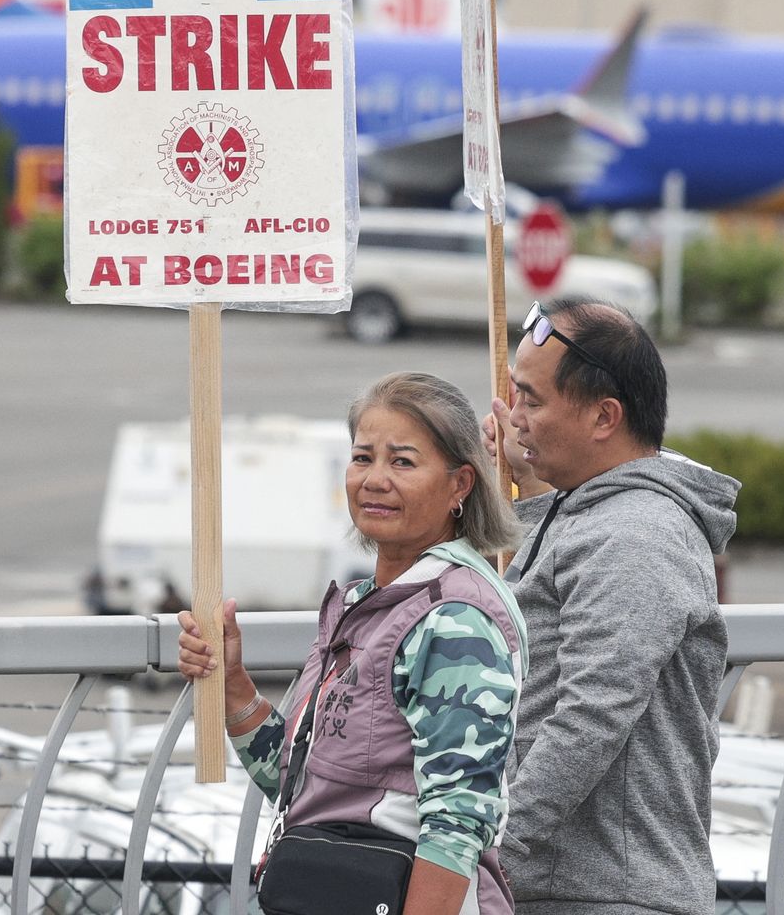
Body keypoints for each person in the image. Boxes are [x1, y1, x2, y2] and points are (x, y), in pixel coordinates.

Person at [178, 371, 528, 915]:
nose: (374, 479)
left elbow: (458, 820)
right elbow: (304, 785)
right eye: (363, 457)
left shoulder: (454, 616)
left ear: (460, 485)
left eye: (403, 461)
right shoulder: (369, 604)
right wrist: (232, 684)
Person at [482, 297, 739, 915]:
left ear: (604, 417)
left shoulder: (634, 535)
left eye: (532, 401)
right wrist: (537, 486)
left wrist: (486, 857)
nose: (512, 418)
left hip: (608, 894)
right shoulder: (597, 515)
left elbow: (590, 717)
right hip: (575, 888)